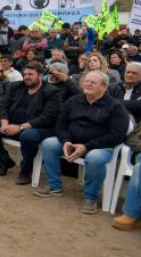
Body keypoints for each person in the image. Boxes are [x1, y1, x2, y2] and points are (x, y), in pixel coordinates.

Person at [34, 72, 129, 214]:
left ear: (104, 87)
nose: (88, 84)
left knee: (94, 158)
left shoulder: (115, 107)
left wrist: (87, 146)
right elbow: (60, 124)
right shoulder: (73, 101)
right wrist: (66, 141)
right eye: (87, 81)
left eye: (93, 82)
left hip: (99, 146)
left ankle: (90, 197)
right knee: (48, 144)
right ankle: (54, 186)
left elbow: (117, 135)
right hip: (71, 142)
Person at [0, 62, 62, 184]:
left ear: (40, 75)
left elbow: (48, 117)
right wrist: (4, 123)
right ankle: (4, 160)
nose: (26, 77)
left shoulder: (51, 92)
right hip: (11, 124)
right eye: (24, 74)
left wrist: (21, 127)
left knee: (28, 136)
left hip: (37, 127)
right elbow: (3, 106)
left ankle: (26, 170)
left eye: (30, 74)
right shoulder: (15, 86)